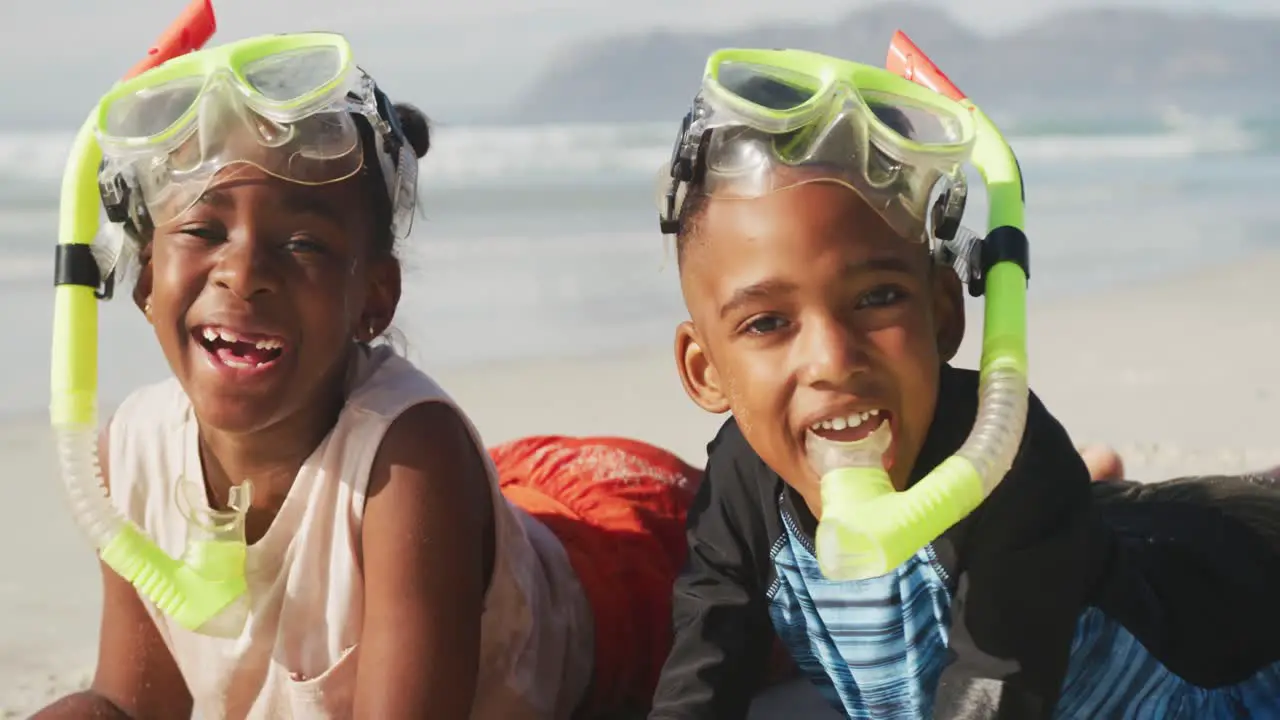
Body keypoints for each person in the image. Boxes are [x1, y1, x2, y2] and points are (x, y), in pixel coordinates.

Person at [33, 32, 702, 720]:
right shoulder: (128, 455)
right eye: (203, 231)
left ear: (374, 300)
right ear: (145, 277)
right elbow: (129, 703)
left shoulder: (413, 466)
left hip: (633, 565)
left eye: (302, 244)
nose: (243, 272)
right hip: (494, 505)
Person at [647, 47, 1280, 719]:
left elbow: (993, 695)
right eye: (768, 322)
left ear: (943, 314)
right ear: (704, 369)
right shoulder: (743, 486)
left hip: (1231, 664)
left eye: (876, 298)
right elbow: (702, 671)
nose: (832, 359)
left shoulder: (1004, 457)